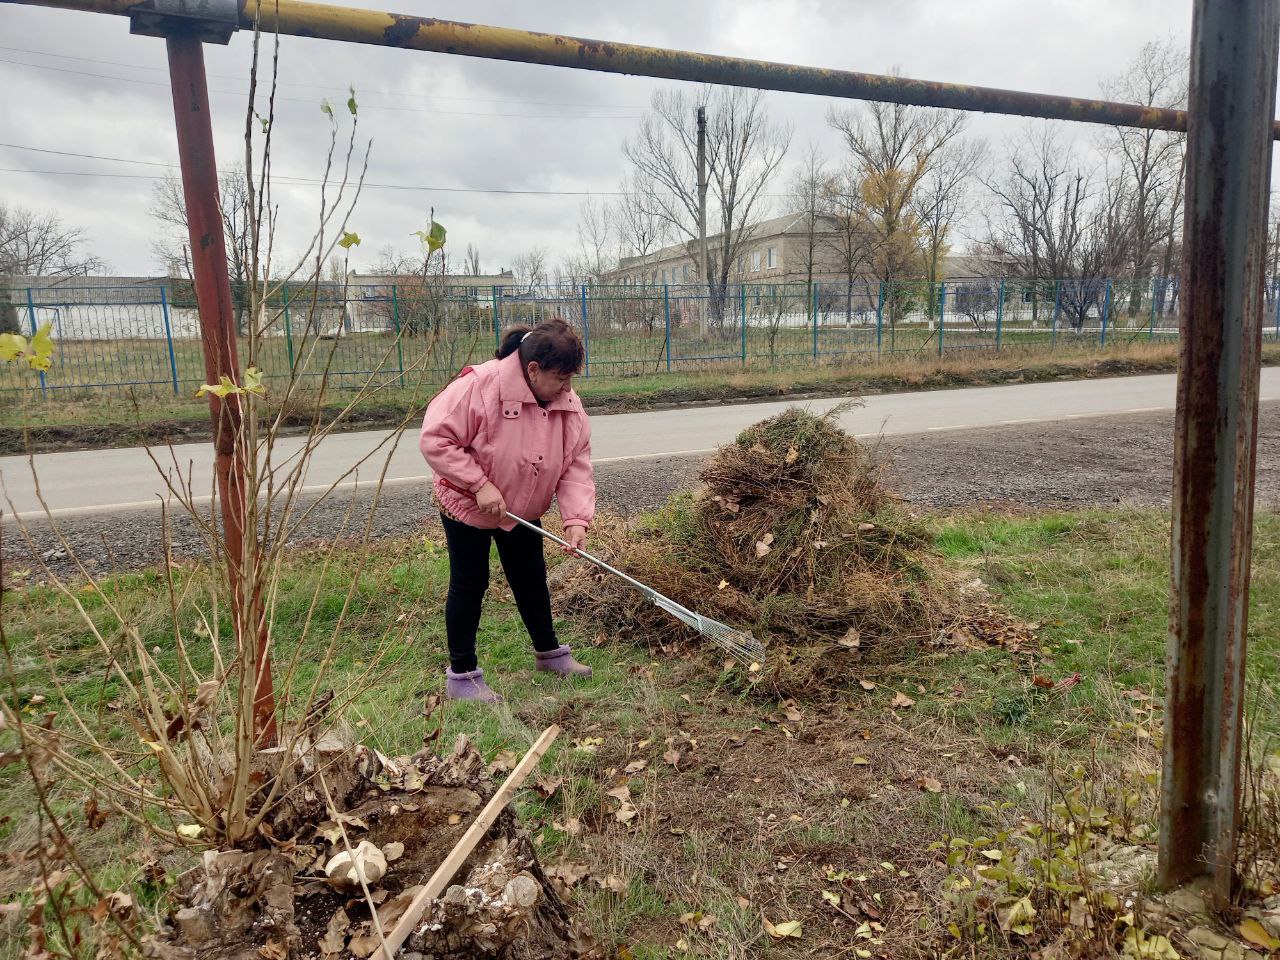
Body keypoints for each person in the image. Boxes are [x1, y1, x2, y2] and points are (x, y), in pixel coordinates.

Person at [419, 318, 596, 702]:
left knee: (531, 578)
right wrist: (478, 484)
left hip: (521, 508)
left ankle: (549, 654)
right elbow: (436, 439)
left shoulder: (567, 404)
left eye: (570, 379)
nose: (567, 388)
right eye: (560, 378)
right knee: (470, 583)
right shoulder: (479, 386)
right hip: (468, 504)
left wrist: (576, 519)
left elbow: (575, 464)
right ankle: (462, 676)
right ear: (532, 370)